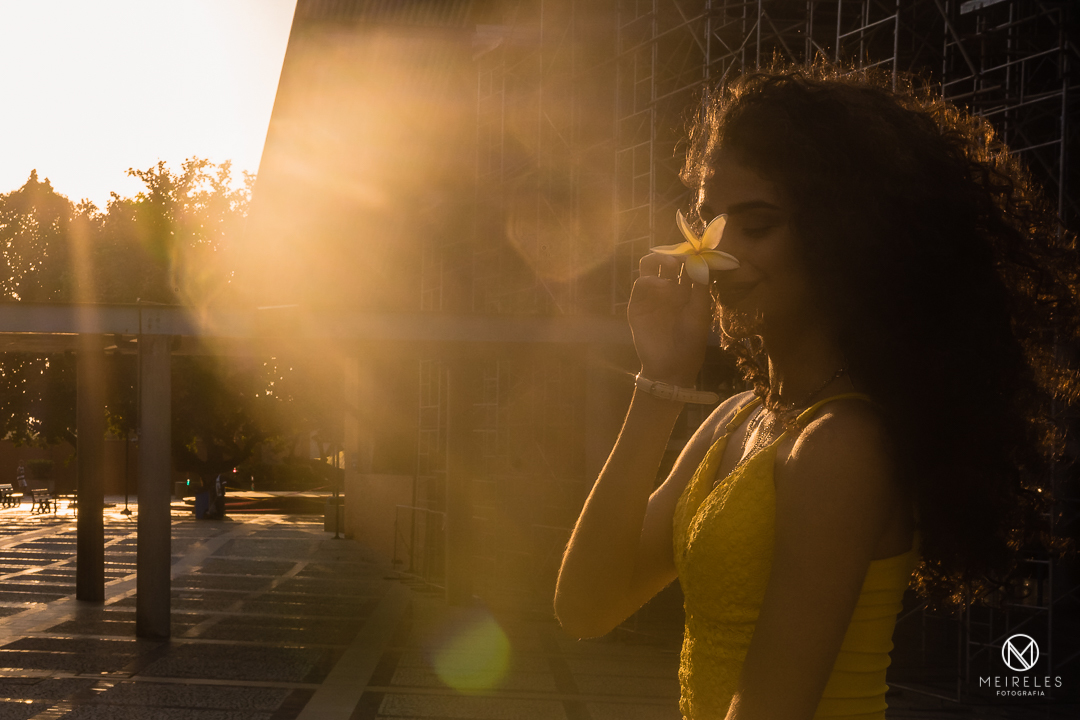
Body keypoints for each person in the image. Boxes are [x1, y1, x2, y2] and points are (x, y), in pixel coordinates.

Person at [555, 63, 1077, 720]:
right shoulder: (736, 419)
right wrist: (660, 381)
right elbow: (585, 607)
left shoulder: (841, 445)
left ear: (841, 233)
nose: (719, 254)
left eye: (758, 223)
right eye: (709, 219)